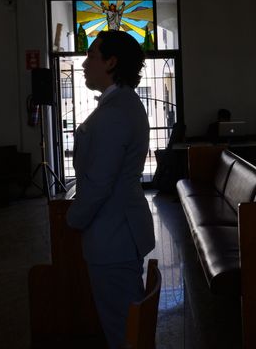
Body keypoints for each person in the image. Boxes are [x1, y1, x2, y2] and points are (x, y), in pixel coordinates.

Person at [66, 30, 155, 349]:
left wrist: (72, 220)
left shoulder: (115, 113)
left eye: (91, 55)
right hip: (119, 230)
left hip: (112, 236)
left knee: (122, 333)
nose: (84, 63)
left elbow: (98, 184)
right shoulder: (121, 105)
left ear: (111, 62)